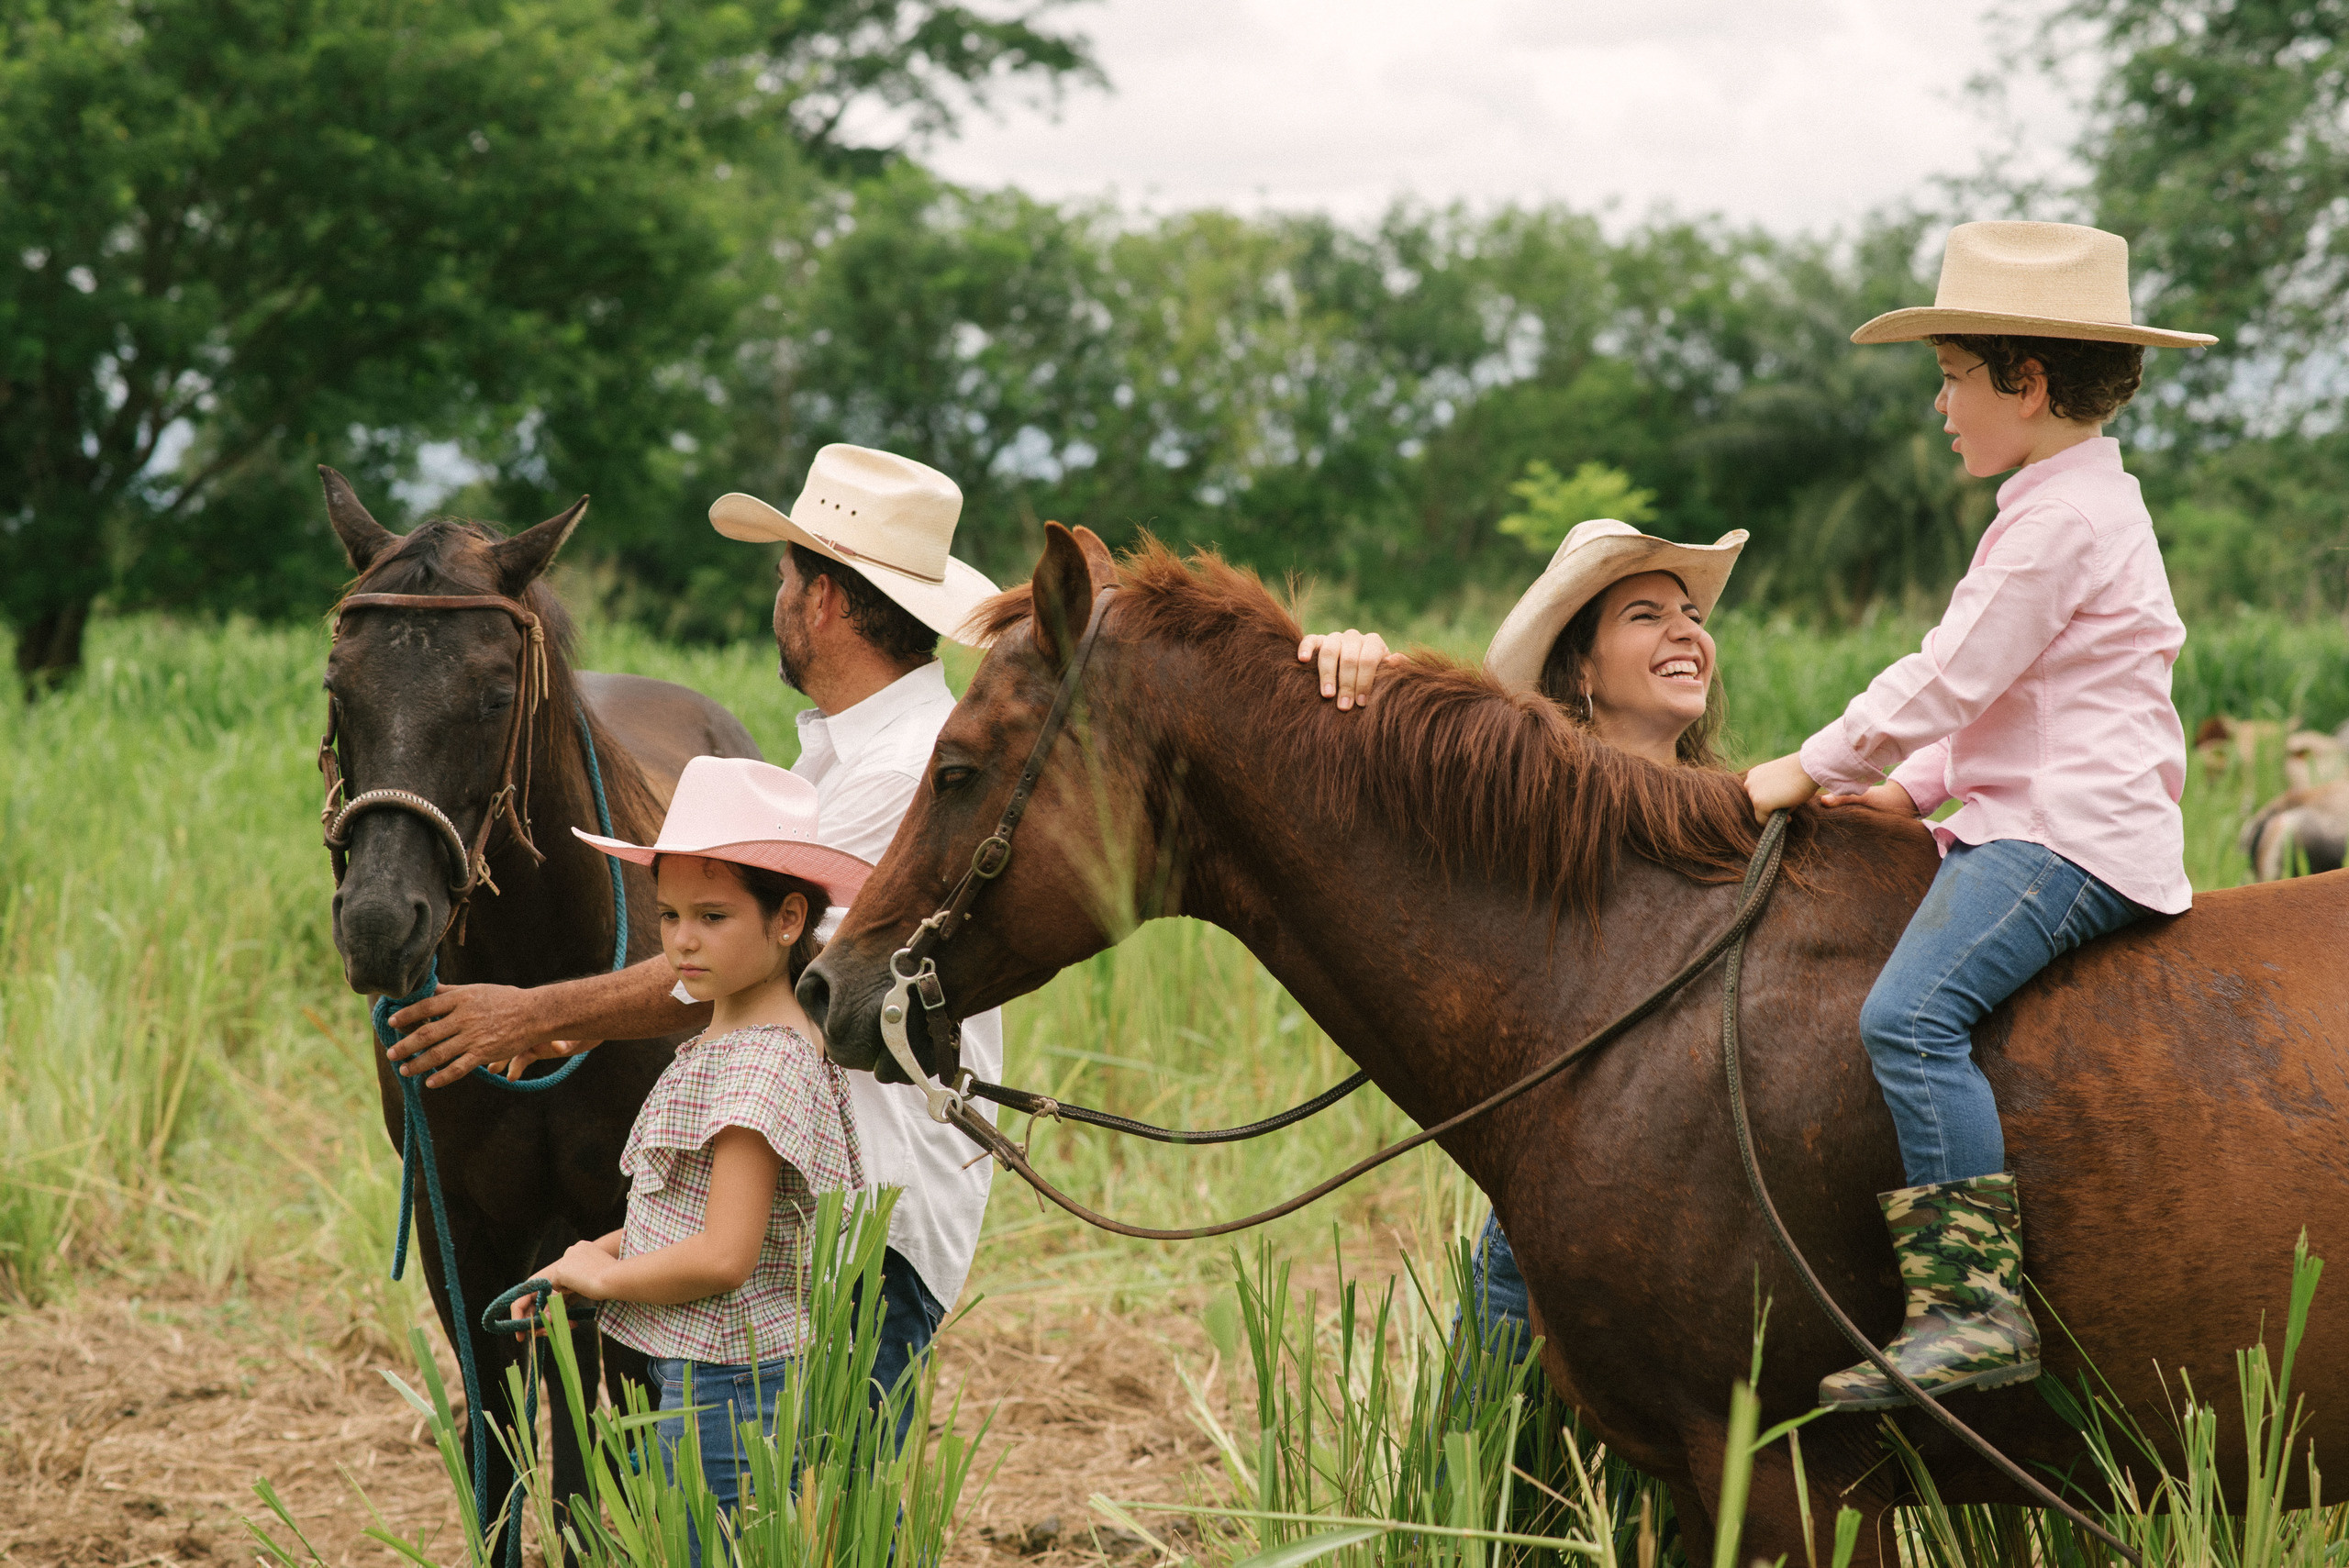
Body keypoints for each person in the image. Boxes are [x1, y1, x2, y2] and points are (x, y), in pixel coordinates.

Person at [386, 444, 1006, 1436]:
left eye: (784, 574)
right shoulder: (850, 756)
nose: (777, 596)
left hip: (857, 1228)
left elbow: (774, 972)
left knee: (789, 1508)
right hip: (820, 1214)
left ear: (826, 605)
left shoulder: (897, 776)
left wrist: (541, 1010)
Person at [1743, 220, 2211, 1409]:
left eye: (1954, 377)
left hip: (2063, 835)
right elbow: (2006, 692)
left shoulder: (2057, 522)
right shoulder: (2068, 505)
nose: (1943, 406)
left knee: (1908, 1014)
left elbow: (1951, 672)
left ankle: (1972, 1304)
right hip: (2036, 805)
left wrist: (1809, 764)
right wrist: (1905, 786)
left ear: (2031, 381)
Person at [1299, 516, 1749, 1362]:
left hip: (1714, 1238)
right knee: (1502, 1482)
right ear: (1579, 666)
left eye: (1691, 613)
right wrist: (1352, 659)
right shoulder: (1521, 810)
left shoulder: (1743, 817)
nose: (1688, 630)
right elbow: (1380, 783)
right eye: (1645, 615)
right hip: (1546, 1237)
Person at [507, 756, 873, 1514]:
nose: (682, 941)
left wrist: (604, 1279)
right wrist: (579, 1261)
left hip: (730, 1390)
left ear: (789, 918)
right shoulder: (739, 1041)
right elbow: (683, 1217)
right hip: (722, 1375)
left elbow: (724, 1254)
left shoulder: (758, 1067)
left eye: (712, 916)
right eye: (669, 915)